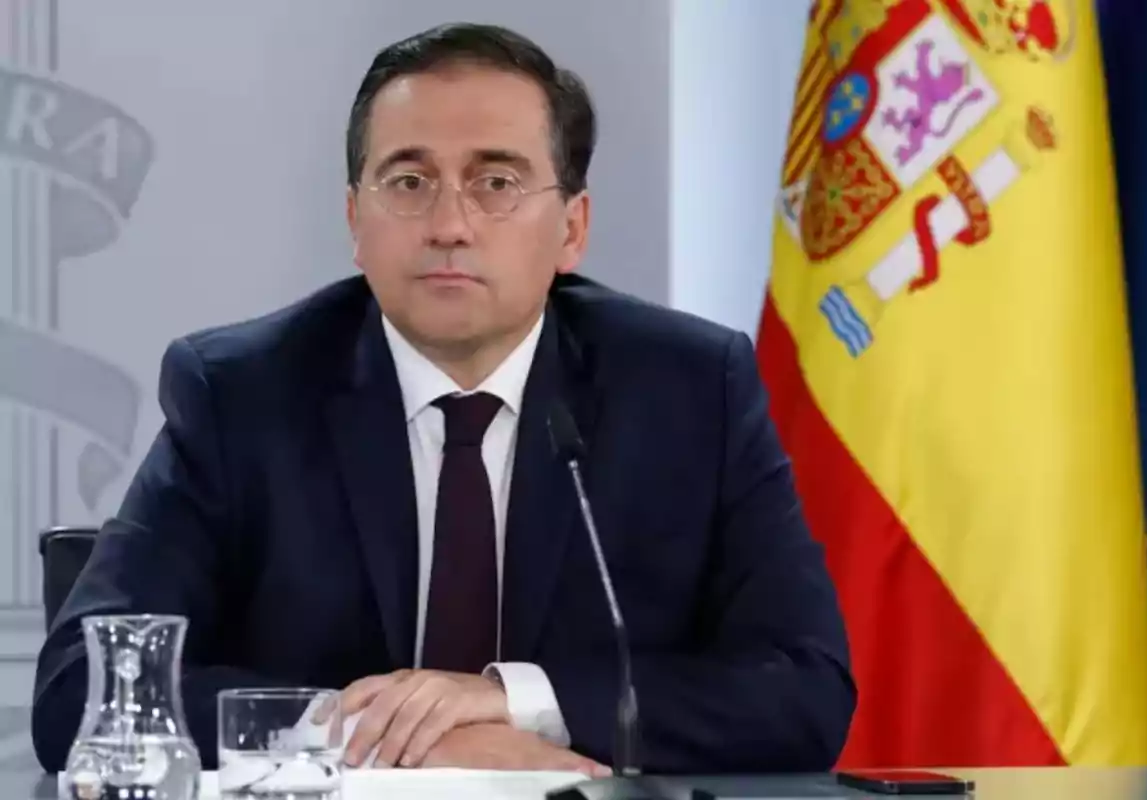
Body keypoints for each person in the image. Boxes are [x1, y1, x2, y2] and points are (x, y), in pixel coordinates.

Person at [31, 22, 855, 776]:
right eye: (409, 180)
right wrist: (394, 737)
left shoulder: (686, 391)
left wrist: (519, 704)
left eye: (496, 181)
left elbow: (805, 689)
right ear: (357, 221)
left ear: (572, 228)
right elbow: (85, 690)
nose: (449, 223)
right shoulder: (244, 392)